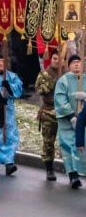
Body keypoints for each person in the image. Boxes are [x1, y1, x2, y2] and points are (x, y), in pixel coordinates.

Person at [52, 54, 85, 188]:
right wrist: (71, 115)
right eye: (74, 62)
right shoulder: (63, 80)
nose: (77, 64)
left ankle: (80, 171)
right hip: (67, 120)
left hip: (84, 121)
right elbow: (59, 99)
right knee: (68, 146)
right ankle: (73, 175)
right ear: (69, 65)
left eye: (78, 62)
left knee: (81, 146)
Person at [34, 51, 63, 182]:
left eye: (59, 59)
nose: (57, 61)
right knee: (48, 143)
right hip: (48, 111)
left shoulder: (66, 73)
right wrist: (52, 82)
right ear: (51, 59)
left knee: (67, 142)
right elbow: (39, 89)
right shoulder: (44, 74)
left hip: (63, 111)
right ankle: (49, 169)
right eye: (55, 59)